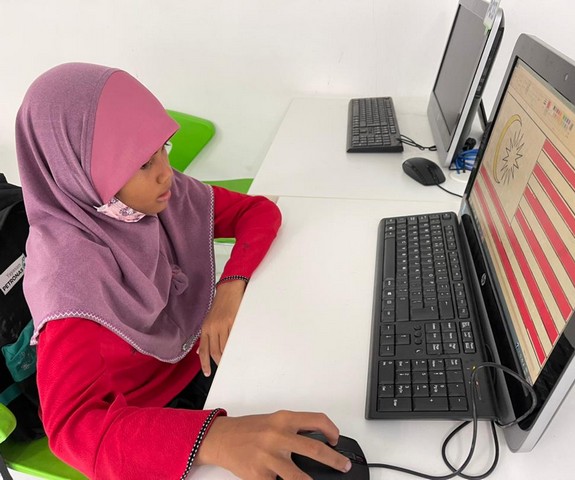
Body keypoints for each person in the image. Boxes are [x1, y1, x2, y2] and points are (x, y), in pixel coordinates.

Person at [15, 63, 352, 479]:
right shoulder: (68, 281)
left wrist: (229, 287)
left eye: (163, 148)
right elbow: (73, 430)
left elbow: (258, 212)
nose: (165, 173)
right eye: (142, 163)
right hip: (150, 420)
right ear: (80, 173)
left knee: (330, 365)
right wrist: (217, 438)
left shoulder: (148, 198)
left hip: (200, 357)